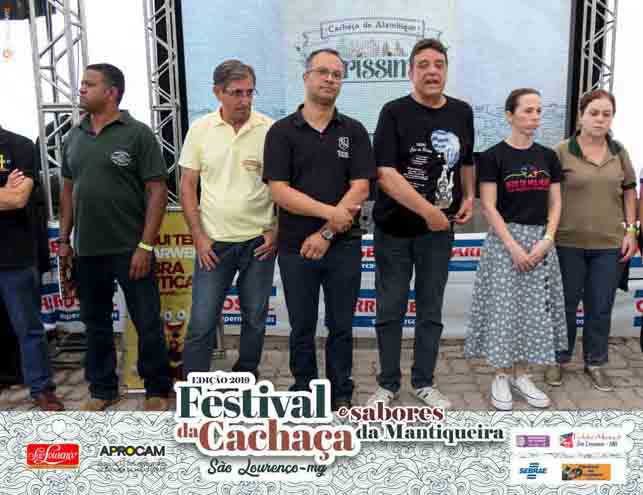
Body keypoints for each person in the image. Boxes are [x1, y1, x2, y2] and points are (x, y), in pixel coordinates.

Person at [263, 48, 375, 410]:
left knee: (341, 325)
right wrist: (331, 214)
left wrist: (326, 232)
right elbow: (279, 191)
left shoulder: (354, 131)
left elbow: (361, 187)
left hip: (343, 245)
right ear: (306, 77)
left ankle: (340, 392)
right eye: (323, 72)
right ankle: (305, 390)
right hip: (295, 247)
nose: (330, 79)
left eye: (337, 74)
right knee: (302, 325)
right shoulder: (281, 132)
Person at [367, 38, 475, 408]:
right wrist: (428, 211)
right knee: (390, 310)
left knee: (431, 311)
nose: (432, 71)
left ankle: (424, 381)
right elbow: (385, 174)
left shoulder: (461, 112)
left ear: (446, 71)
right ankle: (388, 383)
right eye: (424, 65)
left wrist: (469, 196)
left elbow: (466, 162)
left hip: (438, 236)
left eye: (438, 65)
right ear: (411, 71)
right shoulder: (393, 112)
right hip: (394, 232)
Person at [58, 63, 172, 411]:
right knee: (95, 325)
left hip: (130, 248)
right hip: (87, 251)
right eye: (82, 84)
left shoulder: (137, 134)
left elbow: (157, 191)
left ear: (111, 92)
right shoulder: (73, 137)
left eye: (89, 84)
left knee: (147, 322)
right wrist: (64, 240)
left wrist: (145, 245)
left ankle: (157, 389)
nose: (81, 89)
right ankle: (103, 390)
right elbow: (67, 191)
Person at [464, 88, 567, 410]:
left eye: (538, 111)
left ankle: (522, 375)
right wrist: (513, 247)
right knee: (504, 311)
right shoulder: (493, 157)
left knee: (533, 312)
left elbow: (556, 202)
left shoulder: (548, 156)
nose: (535, 117)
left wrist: (547, 239)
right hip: (504, 243)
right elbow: (489, 206)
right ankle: (500, 375)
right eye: (527, 110)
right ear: (510, 115)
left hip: (540, 243)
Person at [180, 60, 276, 378]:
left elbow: (284, 186)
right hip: (213, 244)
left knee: (255, 317)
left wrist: (275, 230)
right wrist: (198, 236)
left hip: (258, 243)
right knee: (202, 320)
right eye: (236, 93)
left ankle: (246, 376)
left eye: (250, 92)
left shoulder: (270, 129)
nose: (245, 100)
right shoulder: (200, 129)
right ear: (217, 92)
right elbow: (187, 185)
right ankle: (194, 383)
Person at [545, 89, 637, 391]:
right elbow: (549, 197)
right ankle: (559, 360)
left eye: (606, 114)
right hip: (566, 243)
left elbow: (629, 191)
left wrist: (631, 231)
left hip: (609, 246)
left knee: (600, 307)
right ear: (581, 116)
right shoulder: (561, 152)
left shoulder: (619, 152)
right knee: (565, 306)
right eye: (594, 113)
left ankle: (595, 363)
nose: (600, 119)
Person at [0, 125, 64, 410]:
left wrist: (9, 194)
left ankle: (41, 389)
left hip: (15, 256)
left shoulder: (20, 145)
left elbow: (17, 198)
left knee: (29, 329)